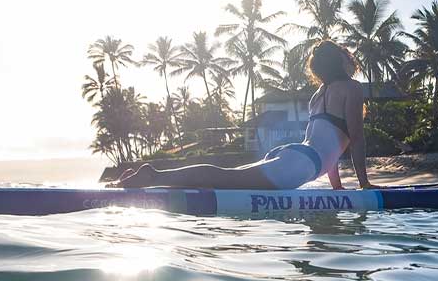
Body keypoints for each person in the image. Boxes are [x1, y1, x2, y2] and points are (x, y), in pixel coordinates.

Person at [113, 39, 375, 190]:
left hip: (295, 155)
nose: (350, 58)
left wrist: (338, 190)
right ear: (339, 61)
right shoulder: (351, 88)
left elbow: (324, 143)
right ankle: (153, 177)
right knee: (226, 179)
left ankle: (155, 179)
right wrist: (364, 185)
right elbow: (356, 138)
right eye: (345, 54)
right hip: (300, 165)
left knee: (229, 176)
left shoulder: (320, 93)